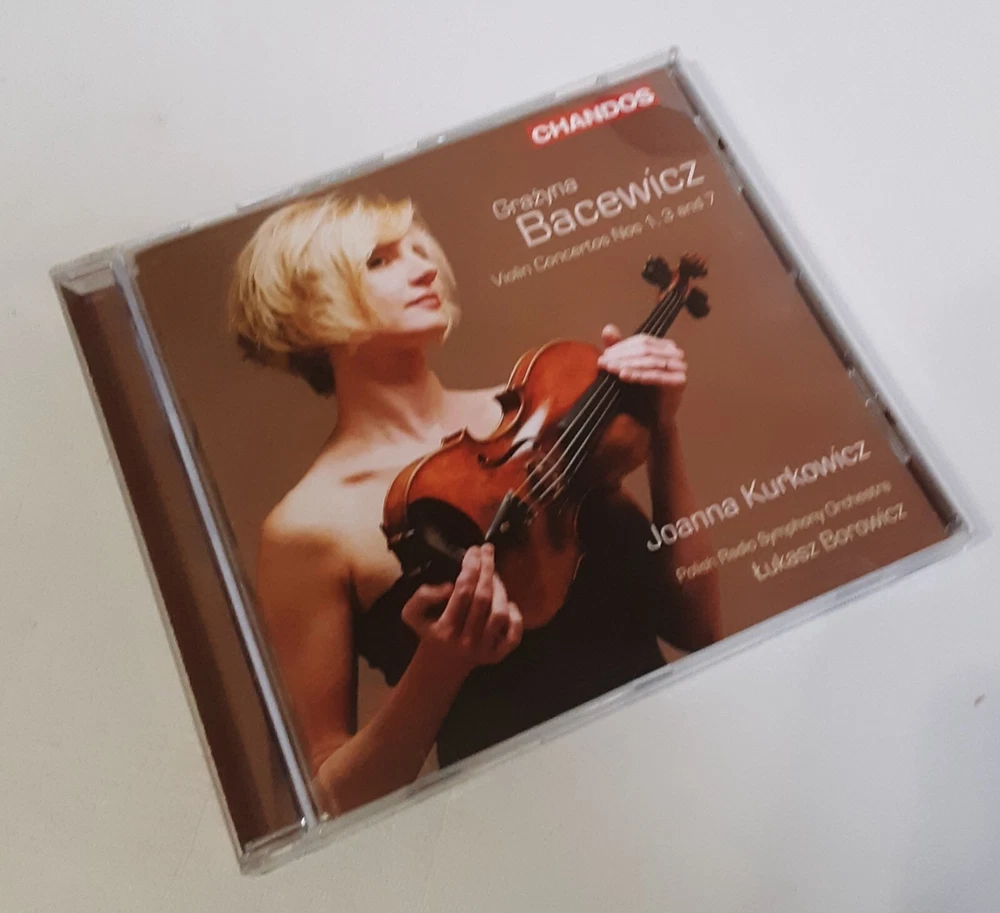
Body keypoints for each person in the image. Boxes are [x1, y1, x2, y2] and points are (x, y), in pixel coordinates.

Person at [227, 192, 722, 816]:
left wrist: (663, 429)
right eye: (380, 260)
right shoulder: (307, 525)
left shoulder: (538, 419)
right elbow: (329, 798)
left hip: (681, 756)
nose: (424, 268)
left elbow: (697, 628)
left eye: (418, 249)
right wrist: (439, 667)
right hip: (517, 816)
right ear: (302, 306)